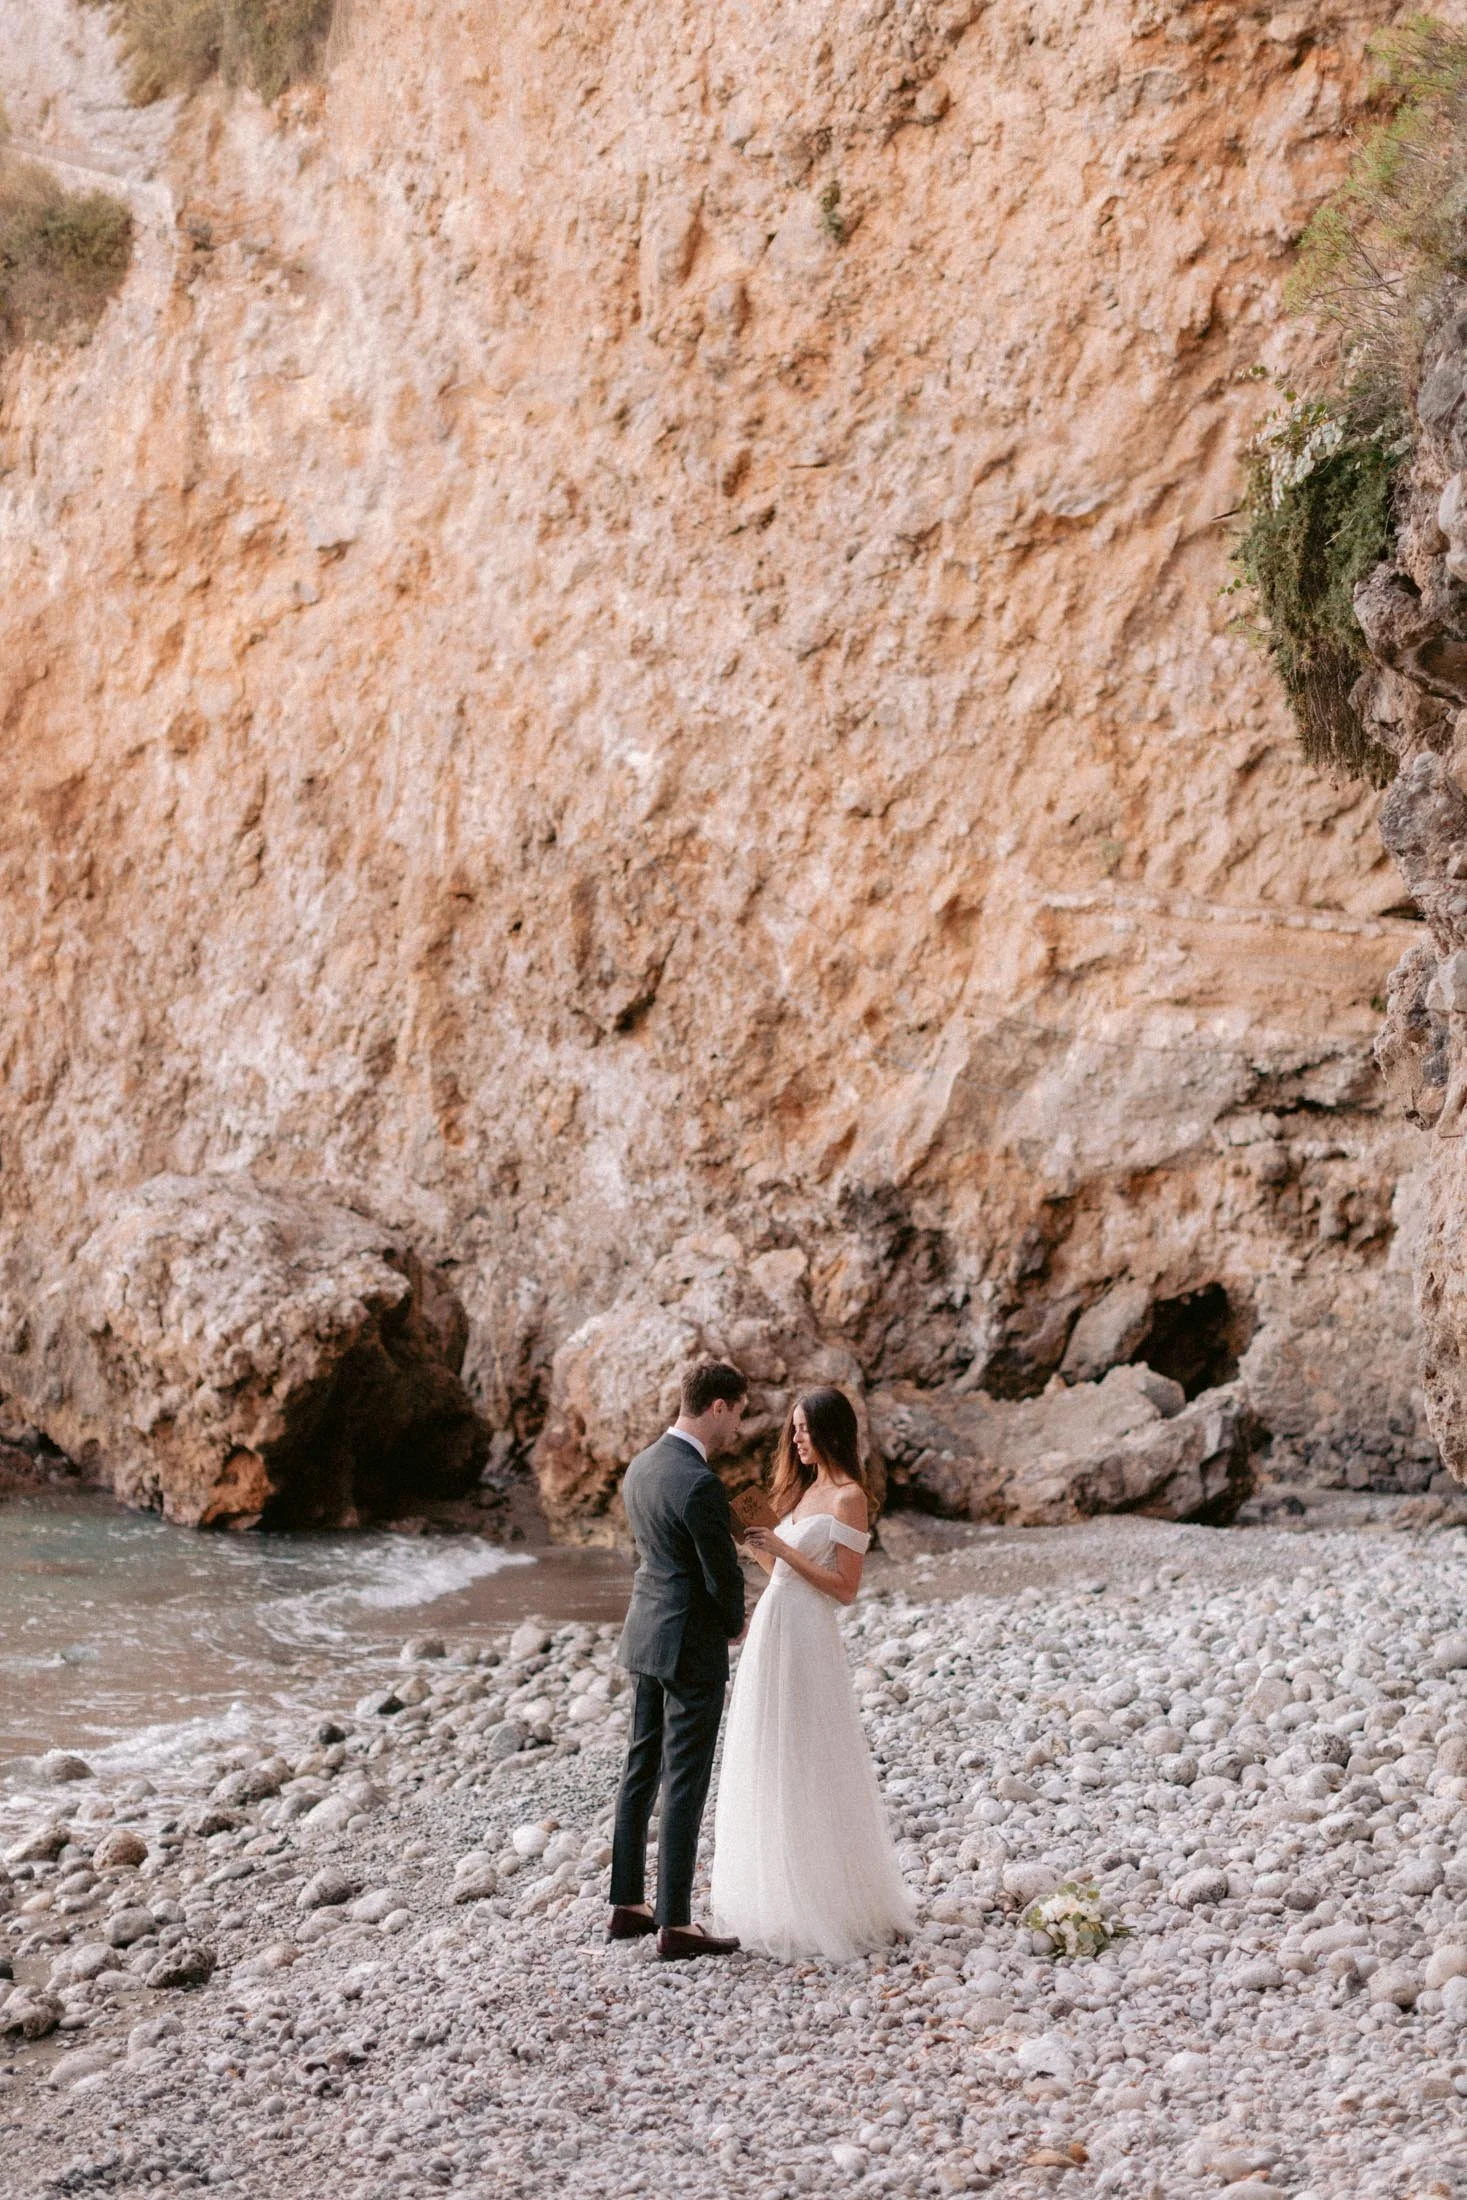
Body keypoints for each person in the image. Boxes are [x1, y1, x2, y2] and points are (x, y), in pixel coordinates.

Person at [710, 1385, 915, 1961]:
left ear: (828, 1433)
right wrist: (759, 1545)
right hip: (773, 1622)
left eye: (803, 1429)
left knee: (806, 1749)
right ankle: (773, 1892)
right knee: (765, 1747)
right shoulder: (798, 1494)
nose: (795, 1439)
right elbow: (781, 1570)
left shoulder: (850, 1497)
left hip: (807, 1632)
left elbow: (846, 1589)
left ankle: (826, 1898)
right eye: (793, 1429)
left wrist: (785, 1548)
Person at [608, 1359, 749, 1960]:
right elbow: (722, 1574)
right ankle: (677, 1925)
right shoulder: (699, 1482)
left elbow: (661, 1554)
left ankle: (626, 1906)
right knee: (685, 1777)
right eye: (739, 1414)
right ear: (718, 1406)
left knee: (641, 1769)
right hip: (689, 1643)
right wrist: (734, 1625)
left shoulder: (641, 1466)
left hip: (644, 1632)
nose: (739, 1428)